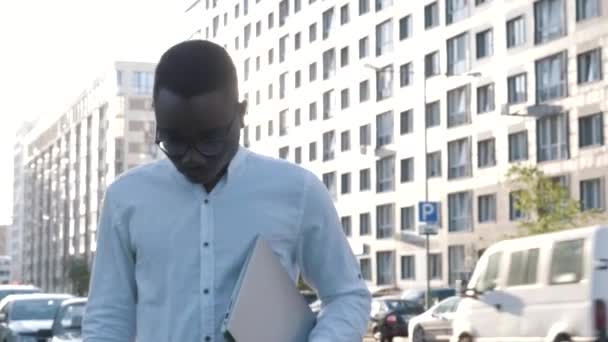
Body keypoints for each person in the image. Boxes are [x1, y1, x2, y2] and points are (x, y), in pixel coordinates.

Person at [83, 40, 371, 342]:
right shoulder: (125, 198)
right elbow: (107, 319)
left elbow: (347, 295)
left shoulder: (298, 191)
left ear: (242, 114)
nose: (191, 156)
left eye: (210, 139)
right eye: (174, 141)